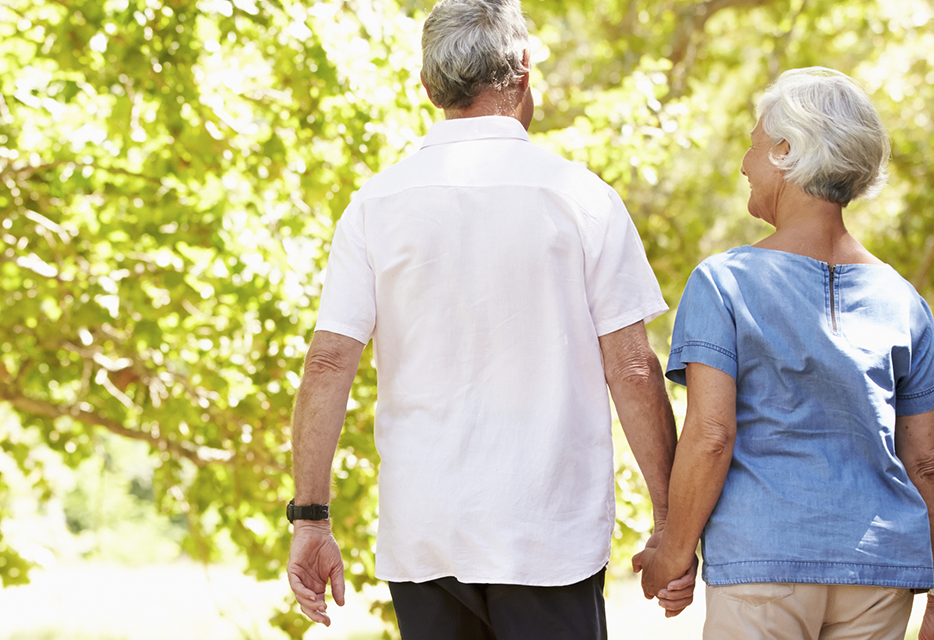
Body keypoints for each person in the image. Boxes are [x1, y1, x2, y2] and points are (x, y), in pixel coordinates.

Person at [283, 0, 694, 637]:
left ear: (427, 88)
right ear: (525, 69)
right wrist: (670, 521)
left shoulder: (375, 204)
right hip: (547, 532)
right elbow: (634, 367)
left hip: (426, 535)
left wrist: (311, 516)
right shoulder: (581, 198)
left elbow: (329, 360)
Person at [640, 67, 934, 640]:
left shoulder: (724, 282)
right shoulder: (903, 299)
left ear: (786, 151)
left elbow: (711, 435)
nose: (745, 163)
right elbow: (927, 466)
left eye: (754, 144)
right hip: (878, 574)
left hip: (763, 567)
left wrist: (673, 552)